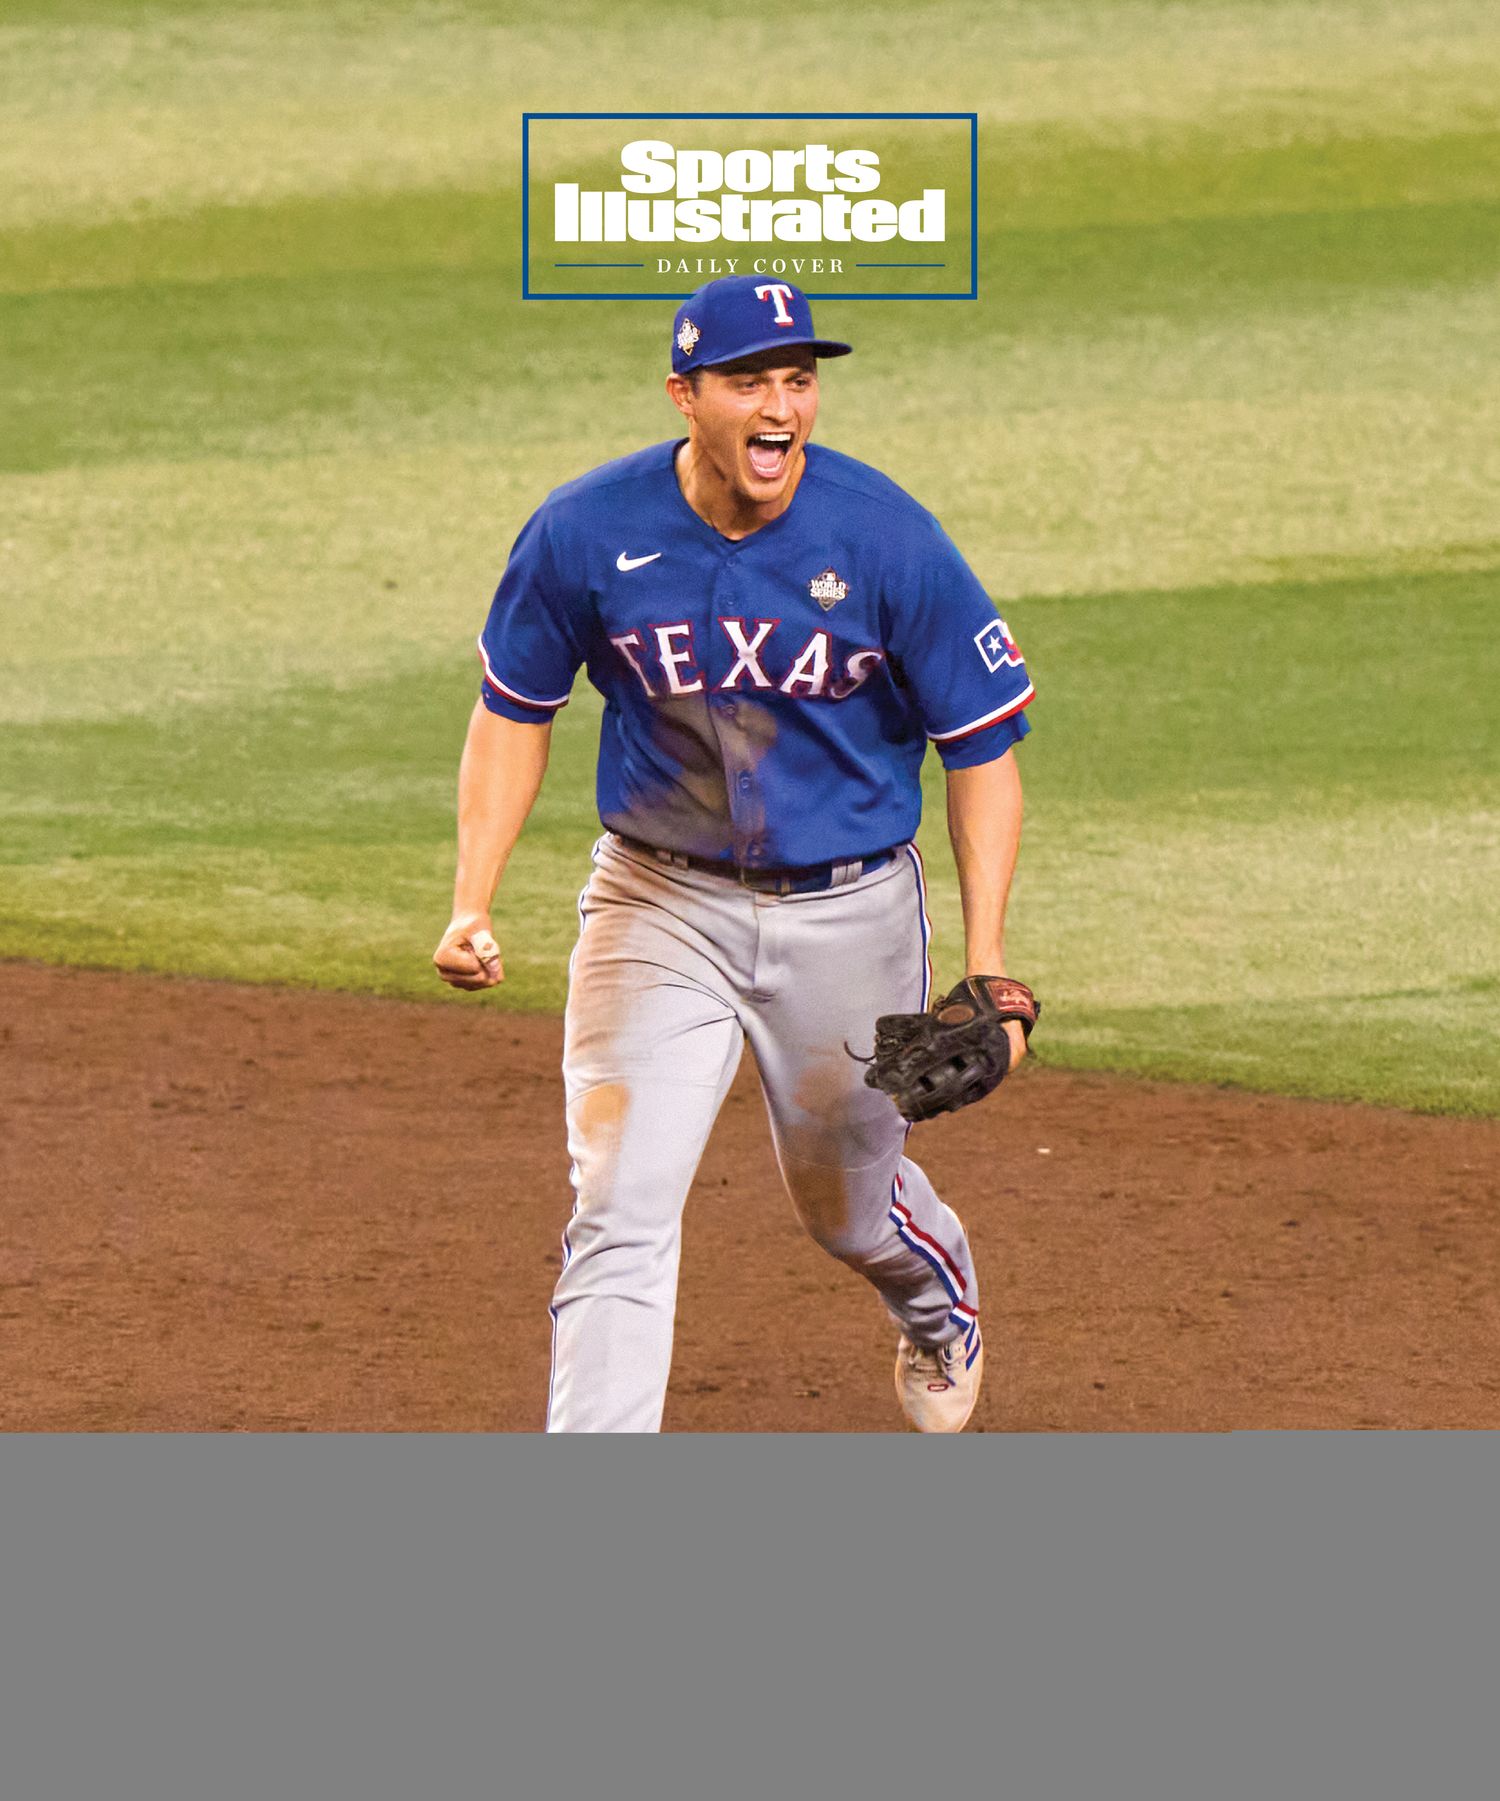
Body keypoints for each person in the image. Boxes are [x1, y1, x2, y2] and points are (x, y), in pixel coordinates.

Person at [433, 276, 1035, 1433]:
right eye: (749, 379)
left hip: (849, 914)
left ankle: (938, 1307)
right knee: (619, 1202)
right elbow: (514, 707)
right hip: (657, 902)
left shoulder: (886, 538)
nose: (781, 405)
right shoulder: (585, 531)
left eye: (798, 379)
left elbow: (982, 747)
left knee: (848, 1213)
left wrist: (991, 960)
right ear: (684, 395)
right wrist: (473, 898)